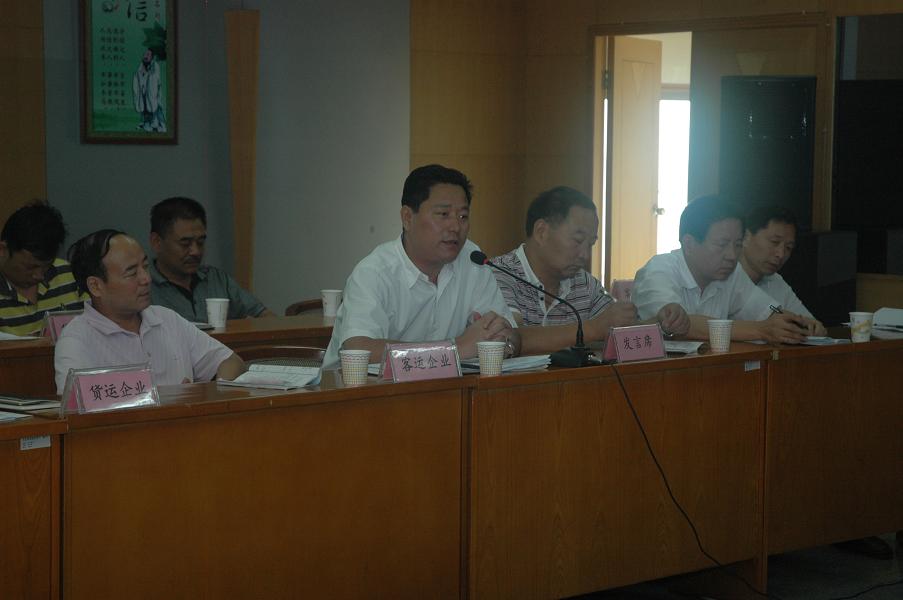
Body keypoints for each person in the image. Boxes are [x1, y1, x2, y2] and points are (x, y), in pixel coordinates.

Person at [323, 164, 519, 367]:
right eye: (443, 214)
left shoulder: (472, 260)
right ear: (407, 218)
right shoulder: (374, 273)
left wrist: (503, 341)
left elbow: (508, 331)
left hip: (445, 384)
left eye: (463, 216)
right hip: (356, 386)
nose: (455, 226)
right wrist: (456, 349)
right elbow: (359, 350)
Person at [491, 186, 687, 355]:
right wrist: (593, 328)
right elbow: (510, 339)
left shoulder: (584, 282)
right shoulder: (497, 274)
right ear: (542, 232)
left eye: (591, 244)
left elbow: (617, 330)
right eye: (577, 241)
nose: (585, 255)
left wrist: (662, 324)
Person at [54, 230, 245, 394]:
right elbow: (75, 408)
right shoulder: (76, 339)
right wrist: (165, 401)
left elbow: (231, 362)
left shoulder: (166, 318)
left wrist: (210, 392)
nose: (146, 278)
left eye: (145, 267)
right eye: (131, 273)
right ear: (96, 286)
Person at [632, 195, 812, 343]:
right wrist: (761, 330)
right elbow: (681, 325)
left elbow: (766, 310)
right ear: (689, 244)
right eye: (722, 244)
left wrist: (797, 323)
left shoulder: (732, 274)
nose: (732, 255)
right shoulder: (659, 271)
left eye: (738, 244)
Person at [149, 197, 274, 322]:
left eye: (200, 242)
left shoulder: (216, 279)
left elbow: (266, 316)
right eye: (185, 243)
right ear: (157, 242)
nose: (196, 252)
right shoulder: (144, 286)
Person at [0, 202, 85, 336]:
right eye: (30, 267)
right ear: (3, 250)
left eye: (47, 266)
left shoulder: (68, 273)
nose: (39, 276)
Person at [739, 205, 826, 336]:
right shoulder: (724, 277)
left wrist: (814, 327)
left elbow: (809, 323)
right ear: (746, 237)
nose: (781, 254)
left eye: (788, 248)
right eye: (774, 242)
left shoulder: (775, 280)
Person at [133, 48, 166, 132]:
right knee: (144, 108)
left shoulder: (155, 66)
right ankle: (146, 123)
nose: (145, 56)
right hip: (143, 93)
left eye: (148, 55)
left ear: (152, 57)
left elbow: (155, 78)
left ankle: (159, 125)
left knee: (155, 108)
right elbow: (137, 78)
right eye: (145, 54)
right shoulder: (140, 67)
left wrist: (147, 74)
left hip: (153, 94)